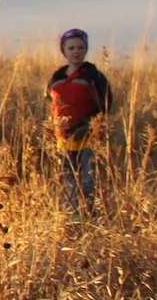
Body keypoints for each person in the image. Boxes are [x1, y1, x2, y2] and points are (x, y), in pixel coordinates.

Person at [47, 28, 114, 218]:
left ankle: (91, 214)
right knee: (69, 180)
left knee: (88, 179)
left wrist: (89, 124)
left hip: (89, 136)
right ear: (64, 51)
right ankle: (74, 217)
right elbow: (50, 103)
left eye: (80, 47)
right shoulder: (56, 78)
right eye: (71, 48)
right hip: (64, 137)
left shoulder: (93, 76)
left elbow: (106, 104)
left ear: (85, 50)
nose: (76, 51)